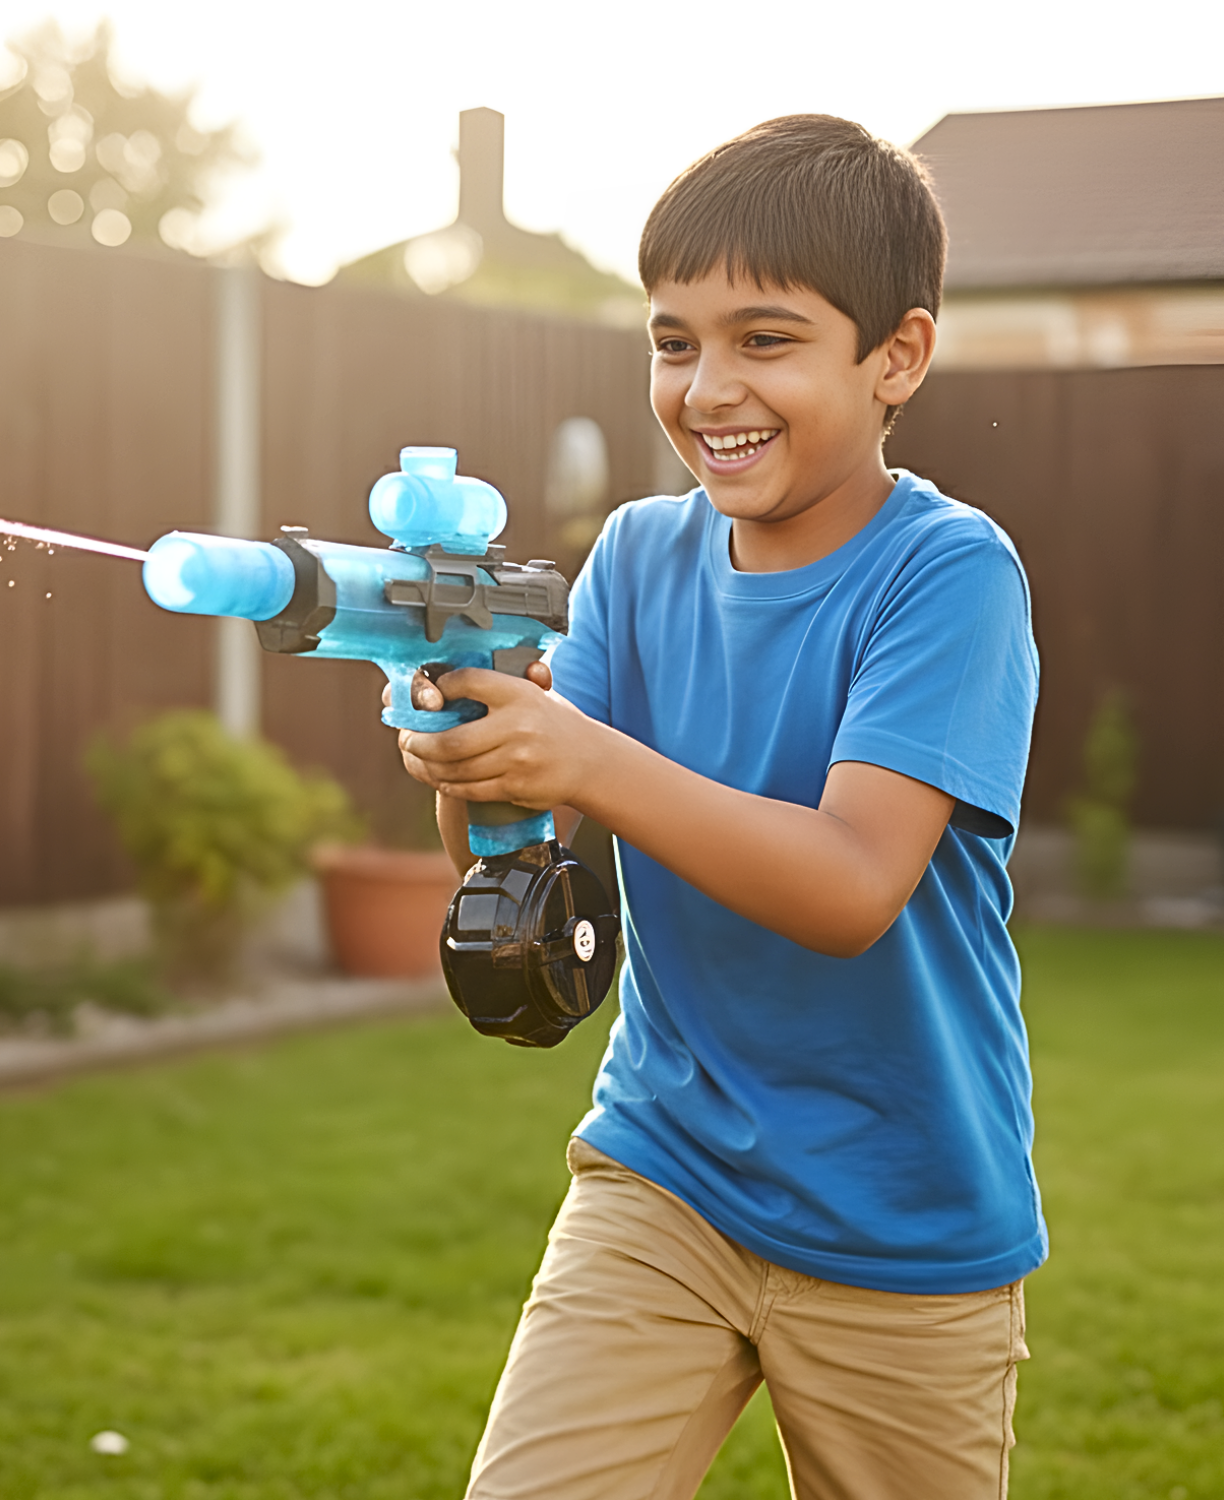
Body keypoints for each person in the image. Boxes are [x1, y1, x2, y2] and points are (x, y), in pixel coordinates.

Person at [393, 114, 1043, 1500]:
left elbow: (851, 886)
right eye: (673, 341)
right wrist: (484, 761)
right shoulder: (634, 555)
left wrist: (580, 755)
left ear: (897, 359)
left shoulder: (949, 576)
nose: (706, 388)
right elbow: (533, 853)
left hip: (902, 1220)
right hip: (665, 1171)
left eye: (764, 340)